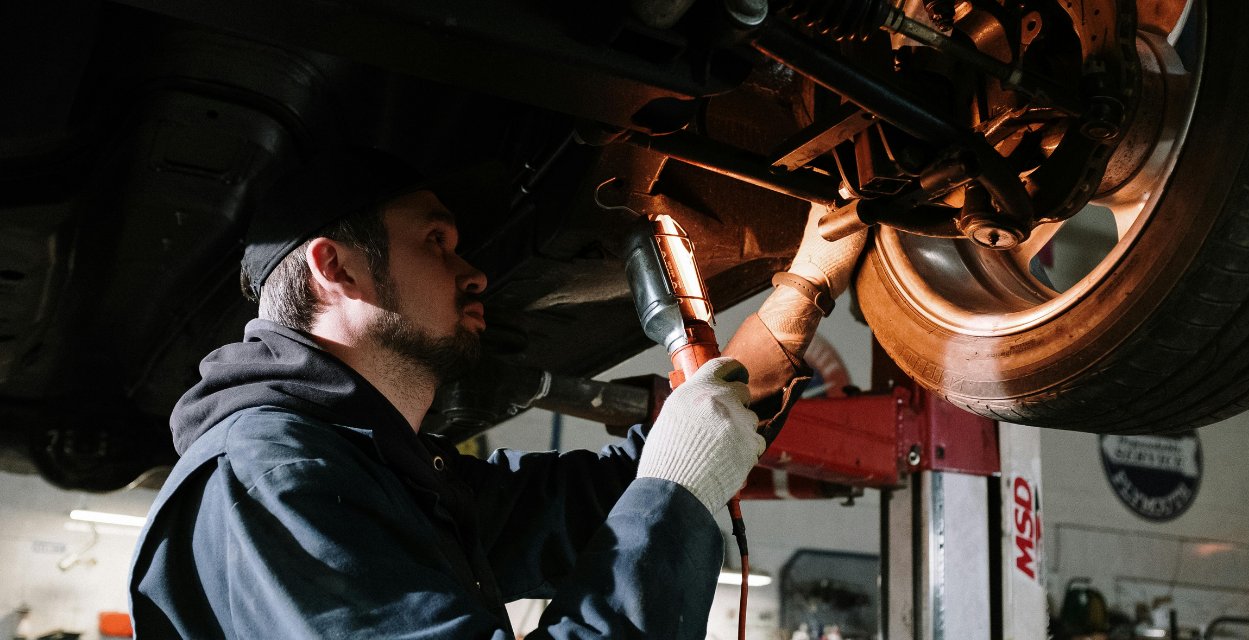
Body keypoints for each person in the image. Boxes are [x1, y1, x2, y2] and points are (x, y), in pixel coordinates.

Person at [128, 147, 863, 638]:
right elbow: (663, 488)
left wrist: (804, 289)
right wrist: (677, 491)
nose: (475, 272)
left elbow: (614, 492)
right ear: (335, 268)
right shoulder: (270, 478)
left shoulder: (380, 475)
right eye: (436, 242)